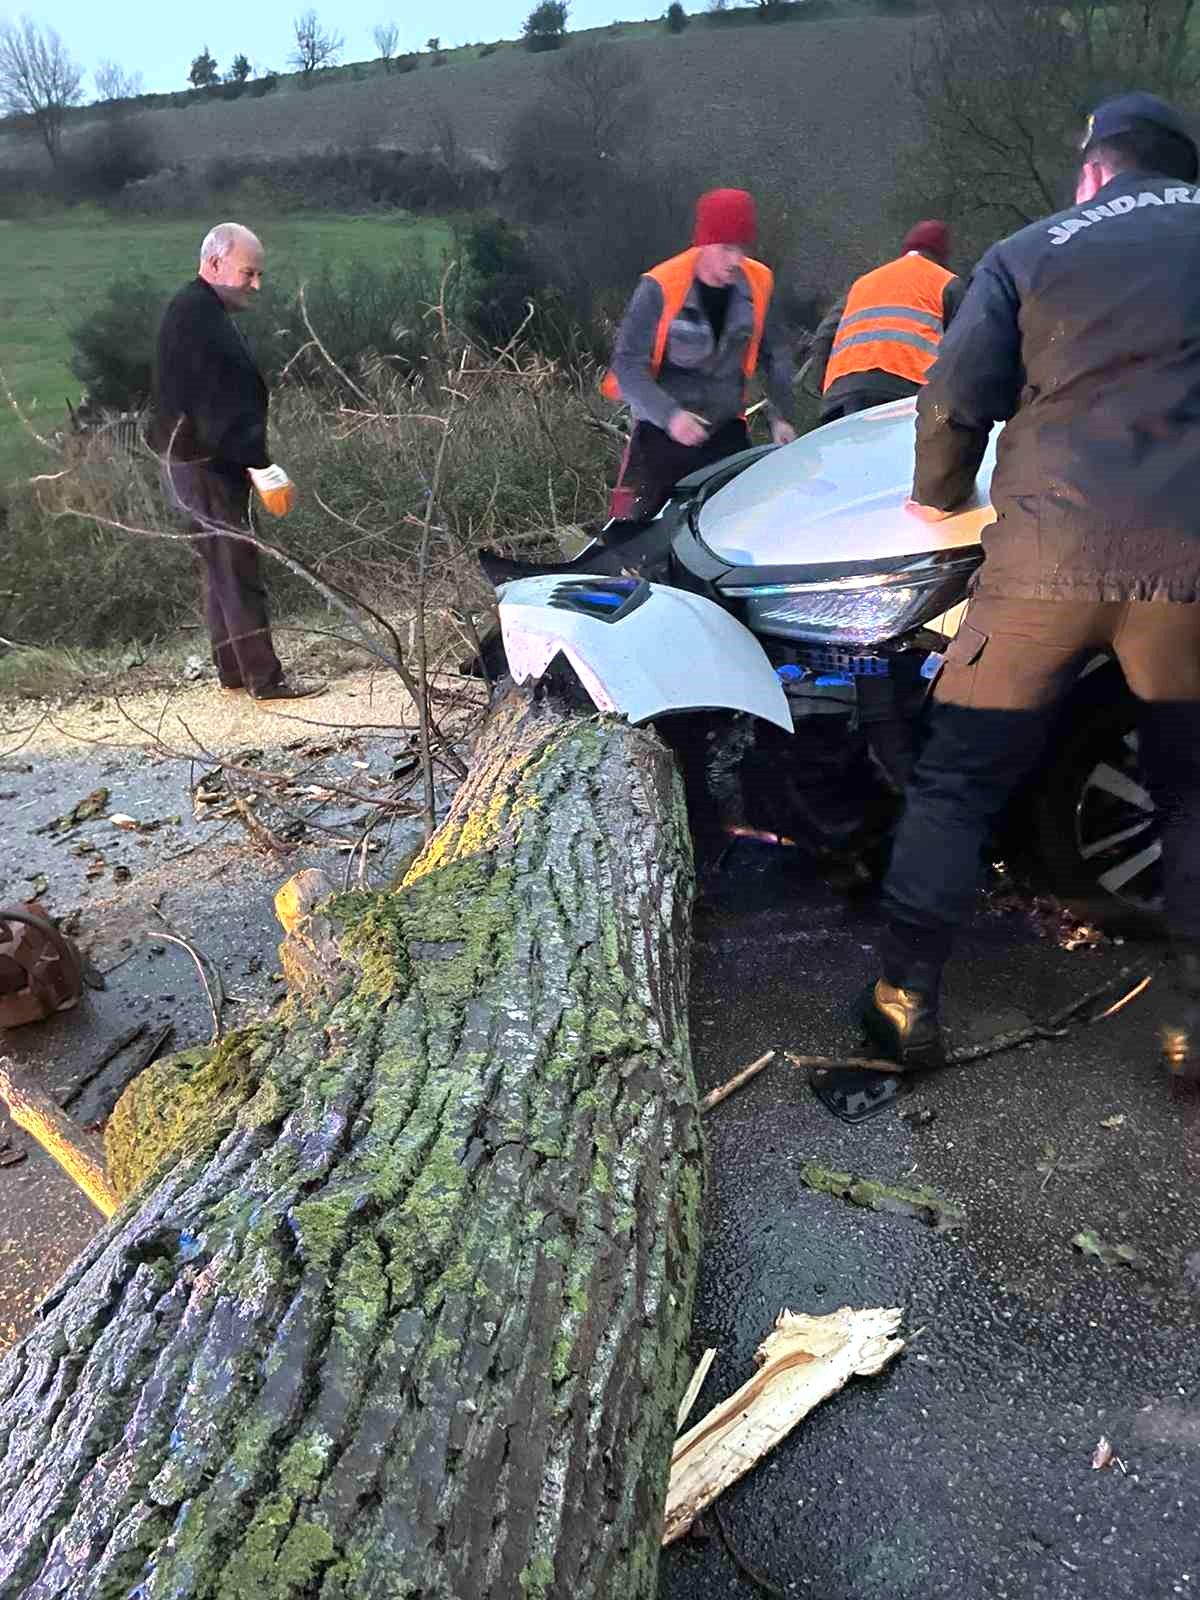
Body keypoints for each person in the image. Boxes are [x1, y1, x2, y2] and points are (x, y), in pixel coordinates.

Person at [857, 92, 1200, 1083]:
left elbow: (956, 398)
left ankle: (905, 1005)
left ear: (1097, 168)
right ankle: (1192, 1030)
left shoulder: (1029, 248)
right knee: (1190, 787)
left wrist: (936, 496)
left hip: (1047, 560)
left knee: (959, 778)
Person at [149, 222, 318, 702]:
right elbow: (218, 407)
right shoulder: (196, 317)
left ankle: (233, 671)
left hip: (193, 459)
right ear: (216, 262)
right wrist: (261, 465)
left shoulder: (197, 309)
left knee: (221, 566)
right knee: (237, 568)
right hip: (203, 463)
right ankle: (266, 681)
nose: (256, 284)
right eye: (249, 272)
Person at [605, 188, 797, 521]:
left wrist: (781, 417)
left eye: (742, 249)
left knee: (739, 522)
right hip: (663, 434)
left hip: (726, 431)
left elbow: (776, 355)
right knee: (653, 529)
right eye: (725, 248)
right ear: (703, 243)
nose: (735, 260)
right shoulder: (659, 286)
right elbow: (627, 364)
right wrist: (671, 416)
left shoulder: (760, 282)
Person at [808, 221, 964, 423]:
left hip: (841, 397)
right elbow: (965, 349)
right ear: (942, 257)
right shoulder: (947, 282)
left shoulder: (863, 283)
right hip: (905, 395)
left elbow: (824, 335)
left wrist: (827, 390)